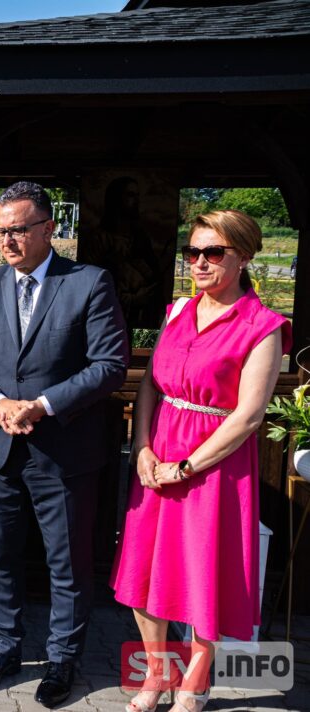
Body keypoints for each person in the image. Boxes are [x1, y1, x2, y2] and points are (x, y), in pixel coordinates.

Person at [0, 181, 129, 707]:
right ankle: (4, 648)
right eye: (1, 230)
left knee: (66, 563)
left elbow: (109, 366)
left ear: (50, 229)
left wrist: (43, 405)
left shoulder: (89, 283)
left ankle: (63, 660)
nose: (7, 240)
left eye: (18, 230)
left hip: (63, 450)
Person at [111, 210, 290, 712]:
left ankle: (195, 682)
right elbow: (150, 384)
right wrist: (142, 446)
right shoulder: (177, 313)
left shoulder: (263, 326)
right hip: (159, 448)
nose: (200, 263)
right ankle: (156, 675)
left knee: (202, 573)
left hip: (216, 463)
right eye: (193, 252)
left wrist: (186, 466)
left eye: (214, 253)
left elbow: (249, 415)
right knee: (144, 572)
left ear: (244, 256)